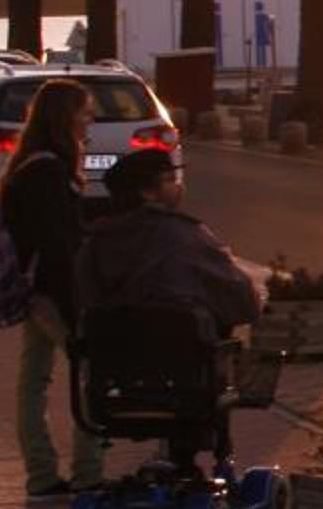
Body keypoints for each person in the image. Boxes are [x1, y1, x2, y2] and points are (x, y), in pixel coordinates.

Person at [76, 152, 262, 475]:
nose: (179, 187)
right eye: (170, 180)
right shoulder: (185, 235)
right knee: (205, 347)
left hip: (117, 381)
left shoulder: (94, 243)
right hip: (184, 377)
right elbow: (243, 300)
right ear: (148, 193)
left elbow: (84, 299)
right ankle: (195, 453)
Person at [0, 77, 105, 499]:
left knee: (34, 379)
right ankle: (87, 473)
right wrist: (75, 307)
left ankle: (41, 475)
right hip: (52, 292)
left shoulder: (30, 165)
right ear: (65, 117)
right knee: (93, 372)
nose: (90, 121)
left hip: (33, 289)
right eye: (85, 112)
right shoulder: (49, 172)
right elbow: (58, 246)